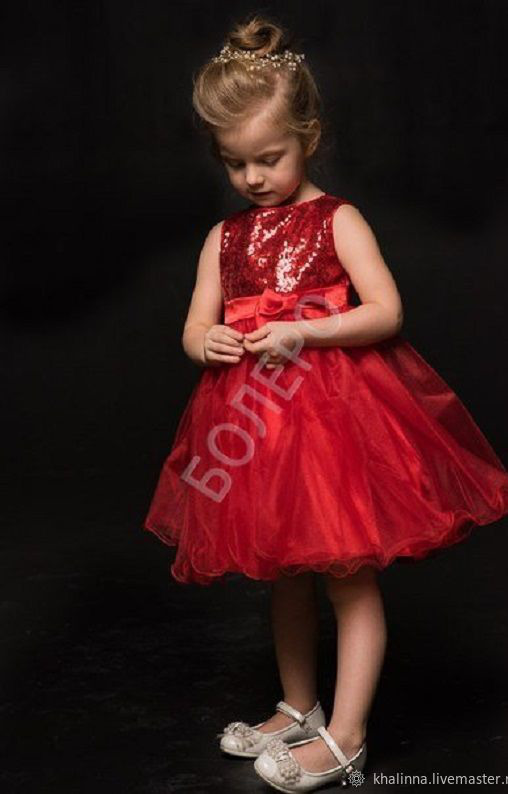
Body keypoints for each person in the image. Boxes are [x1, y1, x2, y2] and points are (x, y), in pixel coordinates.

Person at [143, 13, 508, 791]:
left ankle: (347, 734)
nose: (252, 178)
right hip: (254, 430)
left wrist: (305, 332)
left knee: (347, 574)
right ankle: (299, 707)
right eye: (235, 163)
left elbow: (387, 312)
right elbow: (195, 327)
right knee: (284, 573)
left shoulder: (337, 220)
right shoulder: (224, 238)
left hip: (333, 421)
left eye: (268, 158)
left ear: (308, 136)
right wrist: (207, 342)